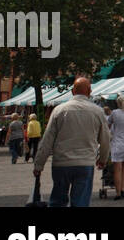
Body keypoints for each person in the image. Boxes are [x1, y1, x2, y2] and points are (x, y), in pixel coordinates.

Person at [34, 77, 110, 208]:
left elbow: (47, 139)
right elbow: (105, 139)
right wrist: (103, 159)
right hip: (85, 163)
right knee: (80, 202)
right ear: (90, 91)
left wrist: (38, 164)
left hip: (61, 163)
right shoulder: (97, 111)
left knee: (58, 201)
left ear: (72, 91)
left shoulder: (59, 110)